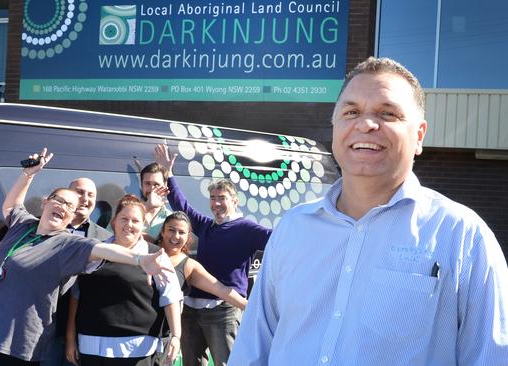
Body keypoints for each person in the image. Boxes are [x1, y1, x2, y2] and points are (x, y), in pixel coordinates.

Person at [229, 57, 508, 365]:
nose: (365, 124)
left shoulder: (463, 236)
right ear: (335, 127)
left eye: (387, 113)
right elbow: (254, 347)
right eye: (352, 112)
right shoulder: (293, 227)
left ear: (419, 136)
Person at [0, 151, 172, 365]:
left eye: (69, 207)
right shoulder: (24, 224)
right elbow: (11, 205)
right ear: (45, 203)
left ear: (70, 218)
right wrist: (28, 175)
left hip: (16, 339)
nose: (62, 207)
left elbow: (104, 250)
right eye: (59, 200)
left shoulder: (66, 243)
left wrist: (141, 259)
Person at [154, 146, 272, 366]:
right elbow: (183, 207)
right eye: (213, 198)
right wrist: (169, 175)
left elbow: (280, 240)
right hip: (190, 308)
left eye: (222, 198)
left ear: (235, 201)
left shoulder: (248, 229)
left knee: (226, 362)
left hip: (223, 310)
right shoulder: (207, 226)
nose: (216, 203)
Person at [65, 195, 182, 366]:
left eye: (135, 221)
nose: (129, 225)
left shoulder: (156, 255)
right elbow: (75, 297)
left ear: (143, 225)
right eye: (124, 219)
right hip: (91, 347)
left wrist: (176, 336)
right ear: (114, 222)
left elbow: (170, 298)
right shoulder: (95, 252)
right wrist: (70, 339)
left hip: (138, 350)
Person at [43, 177, 112, 366]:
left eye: (91, 195)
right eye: (80, 192)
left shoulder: (106, 240)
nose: (85, 198)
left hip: (85, 325)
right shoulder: (45, 228)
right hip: (46, 323)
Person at [139, 163, 172, 243]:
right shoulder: (126, 212)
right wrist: (146, 207)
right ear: (141, 185)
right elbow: (111, 238)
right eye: (147, 183)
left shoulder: (171, 219)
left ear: (165, 185)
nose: (151, 189)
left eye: (156, 184)